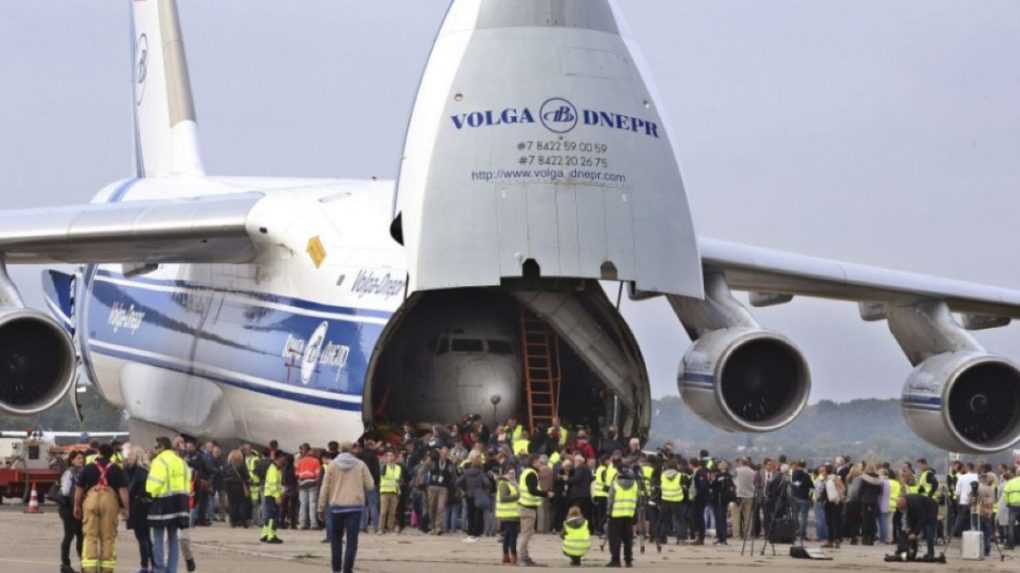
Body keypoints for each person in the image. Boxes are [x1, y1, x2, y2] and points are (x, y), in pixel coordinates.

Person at [318, 441, 376, 573]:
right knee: (352, 540)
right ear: (352, 450)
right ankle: (347, 569)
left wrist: (321, 507)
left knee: (336, 539)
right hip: (354, 508)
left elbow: (324, 487)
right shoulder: (361, 465)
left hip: (336, 507)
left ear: (340, 450)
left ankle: (336, 569)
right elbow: (371, 485)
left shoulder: (332, 465)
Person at [74, 443, 130, 573]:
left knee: (90, 536)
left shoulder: (88, 468)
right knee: (108, 537)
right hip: (110, 502)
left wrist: (76, 506)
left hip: (91, 501)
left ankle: (90, 569)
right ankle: (106, 569)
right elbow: (123, 491)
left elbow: (79, 488)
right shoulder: (117, 468)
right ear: (112, 455)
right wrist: (126, 509)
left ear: (98, 452)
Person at [147, 436, 191, 573]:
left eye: (156, 447)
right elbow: (187, 480)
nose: (155, 450)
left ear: (161, 447)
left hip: (161, 504)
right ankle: (172, 569)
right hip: (179, 504)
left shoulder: (159, 461)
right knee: (173, 539)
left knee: (158, 538)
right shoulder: (181, 462)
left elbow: (153, 485)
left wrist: (149, 493)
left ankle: (159, 569)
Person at [124, 445, 153, 573]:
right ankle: (153, 565)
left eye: (131, 455)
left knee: (142, 538)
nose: (128, 458)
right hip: (143, 506)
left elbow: (130, 490)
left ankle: (145, 566)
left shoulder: (139, 472)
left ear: (137, 457)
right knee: (146, 538)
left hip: (139, 508)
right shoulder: (143, 470)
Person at [518, 454, 549, 567]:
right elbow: (532, 490)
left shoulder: (527, 472)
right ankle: (523, 558)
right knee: (527, 534)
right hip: (528, 508)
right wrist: (546, 493)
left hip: (526, 506)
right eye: (539, 462)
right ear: (534, 462)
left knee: (527, 533)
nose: (540, 464)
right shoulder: (531, 473)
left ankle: (525, 557)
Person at [58, 450, 85, 573]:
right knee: (69, 535)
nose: (81, 460)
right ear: (72, 460)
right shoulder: (69, 473)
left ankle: (84, 563)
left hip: (79, 508)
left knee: (81, 536)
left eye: (82, 458)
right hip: (67, 508)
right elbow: (64, 492)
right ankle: (65, 564)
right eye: (78, 458)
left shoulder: (83, 472)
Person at [606, 467, 638, 567]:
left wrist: (608, 512)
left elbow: (610, 500)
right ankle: (628, 560)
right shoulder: (635, 485)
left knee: (615, 539)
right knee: (628, 539)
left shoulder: (615, 484)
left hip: (616, 515)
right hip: (629, 514)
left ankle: (615, 560)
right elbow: (637, 499)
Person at [456, 452, 492, 542]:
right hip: (479, 495)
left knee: (470, 514)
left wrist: (464, 489)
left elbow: (458, 482)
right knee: (479, 515)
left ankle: (470, 533)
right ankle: (477, 533)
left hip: (469, 495)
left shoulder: (466, 472)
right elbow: (487, 483)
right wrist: (484, 490)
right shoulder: (481, 473)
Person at [898, 494, 939, 561]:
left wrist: (915, 533)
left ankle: (931, 554)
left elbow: (921, 518)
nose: (903, 510)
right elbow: (910, 517)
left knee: (929, 531)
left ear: (905, 504)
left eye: (903, 508)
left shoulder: (914, 504)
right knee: (912, 532)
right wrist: (909, 528)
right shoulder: (905, 502)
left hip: (931, 508)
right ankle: (911, 552)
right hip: (922, 510)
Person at [657, 459, 684, 546]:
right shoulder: (680, 475)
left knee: (663, 520)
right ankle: (680, 539)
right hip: (677, 499)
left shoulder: (663, 475)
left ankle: (661, 538)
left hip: (665, 499)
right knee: (679, 520)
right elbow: (683, 485)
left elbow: (661, 485)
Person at [260, 451, 286, 544]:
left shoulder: (276, 468)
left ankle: (265, 534)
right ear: (277, 459)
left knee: (269, 515)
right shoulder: (273, 469)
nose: (283, 461)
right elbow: (273, 484)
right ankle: (271, 536)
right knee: (273, 516)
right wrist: (277, 496)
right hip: (271, 495)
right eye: (282, 459)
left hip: (270, 494)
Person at [496, 469, 520, 565]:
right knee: (512, 537)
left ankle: (506, 556)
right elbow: (503, 498)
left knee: (507, 536)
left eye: (513, 473)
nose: (512, 475)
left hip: (512, 514)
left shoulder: (512, 484)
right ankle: (513, 556)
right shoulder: (504, 484)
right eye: (509, 473)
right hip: (509, 514)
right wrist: (518, 496)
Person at [296, 445, 323, 530]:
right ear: (309, 451)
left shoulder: (299, 461)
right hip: (312, 484)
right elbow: (318, 474)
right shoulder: (316, 461)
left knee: (303, 504)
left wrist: (300, 481)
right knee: (312, 504)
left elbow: (296, 474)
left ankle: (302, 523)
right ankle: (313, 524)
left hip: (302, 484)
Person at [224, 449, 252, 528]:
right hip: (240, 487)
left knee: (232, 504)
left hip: (230, 487)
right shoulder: (242, 465)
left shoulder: (227, 466)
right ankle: (243, 521)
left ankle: (233, 521)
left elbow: (224, 476)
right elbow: (247, 477)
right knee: (242, 504)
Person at [710, 460, 735, 545]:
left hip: (719, 499)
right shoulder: (729, 476)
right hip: (724, 500)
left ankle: (721, 538)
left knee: (719, 519)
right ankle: (721, 538)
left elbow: (713, 485)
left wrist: (713, 480)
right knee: (721, 519)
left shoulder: (719, 476)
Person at [789, 461, 813, 544]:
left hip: (794, 497)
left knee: (795, 515)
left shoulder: (792, 474)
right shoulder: (806, 475)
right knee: (803, 517)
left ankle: (795, 531)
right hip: (804, 498)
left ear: (798, 465)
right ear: (805, 466)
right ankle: (802, 534)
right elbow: (812, 486)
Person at [821, 464, 845, 549]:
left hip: (835, 502)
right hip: (829, 502)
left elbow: (842, 488)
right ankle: (830, 540)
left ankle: (836, 539)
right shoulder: (826, 479)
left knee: (835, 521)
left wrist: (838, 497)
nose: (821, 472)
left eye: (823, 470)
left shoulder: (834, 478)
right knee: (829, 522)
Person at [378, 450, 402, 534]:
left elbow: (397, 478)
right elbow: (383, 475)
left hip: (394, 491)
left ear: (394, 457)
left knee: (392, 512)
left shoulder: (398, 468)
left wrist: (398, 490)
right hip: (384, 491)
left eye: (391, 455)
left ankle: (390, 528)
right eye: (388, 455)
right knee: (383, 512)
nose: (390, 457)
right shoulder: (383, 466)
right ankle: (380, 529)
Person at [733, 458, 755, 540]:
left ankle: (736, 535)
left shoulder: (737, 470)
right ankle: (747, 535)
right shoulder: (753, 472)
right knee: (748, 517)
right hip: (750, 495)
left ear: (741, 463)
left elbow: (733, 481)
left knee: (736, 516)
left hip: (739, 495)